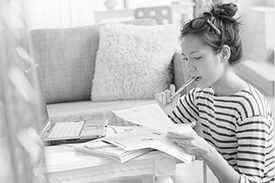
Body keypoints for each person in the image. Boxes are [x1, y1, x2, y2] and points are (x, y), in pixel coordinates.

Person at [155, 3, 274, 183]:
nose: (189, 67)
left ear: (224, 54)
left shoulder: (250, 109)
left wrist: (207, 151)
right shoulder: (202, 95)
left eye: (196, 57)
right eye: (186, 59)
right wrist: (165, 112)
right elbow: (166, 129)